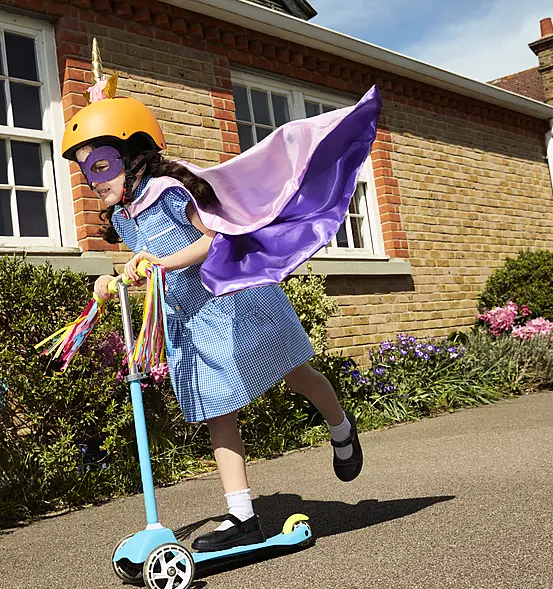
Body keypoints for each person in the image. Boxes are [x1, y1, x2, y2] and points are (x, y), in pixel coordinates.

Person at [61, 42, 380, 552]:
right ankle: (242, 516)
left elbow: (211, 240)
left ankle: (341, 427)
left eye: (100, 164)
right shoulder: (124, 216)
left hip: (237, 301)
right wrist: (113, 278)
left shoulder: (170, 191)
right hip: (190, 321)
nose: (91, 179)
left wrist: (160, 264)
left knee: (296, 375)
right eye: (84, 170)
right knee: (217, 411)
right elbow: (143, 256)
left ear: (135, 154)